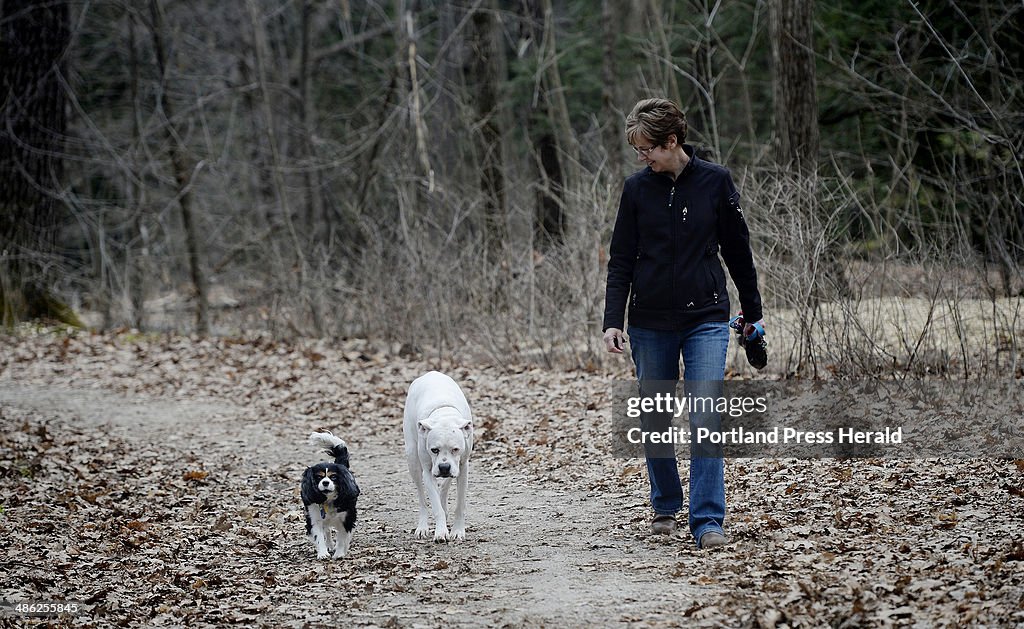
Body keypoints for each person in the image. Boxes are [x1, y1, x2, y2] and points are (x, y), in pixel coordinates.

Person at [602, 98, 764, 549]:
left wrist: (753, 312)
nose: (642, 157)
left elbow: (738, 250)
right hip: (650, 321)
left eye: (646, 149)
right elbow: (620, 260)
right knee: (655, 417)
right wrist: (613, 319)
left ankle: (708, 520)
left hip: (707, 319)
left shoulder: (715, 182)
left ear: (671, 142)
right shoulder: (636, 190)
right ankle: (665, 504)